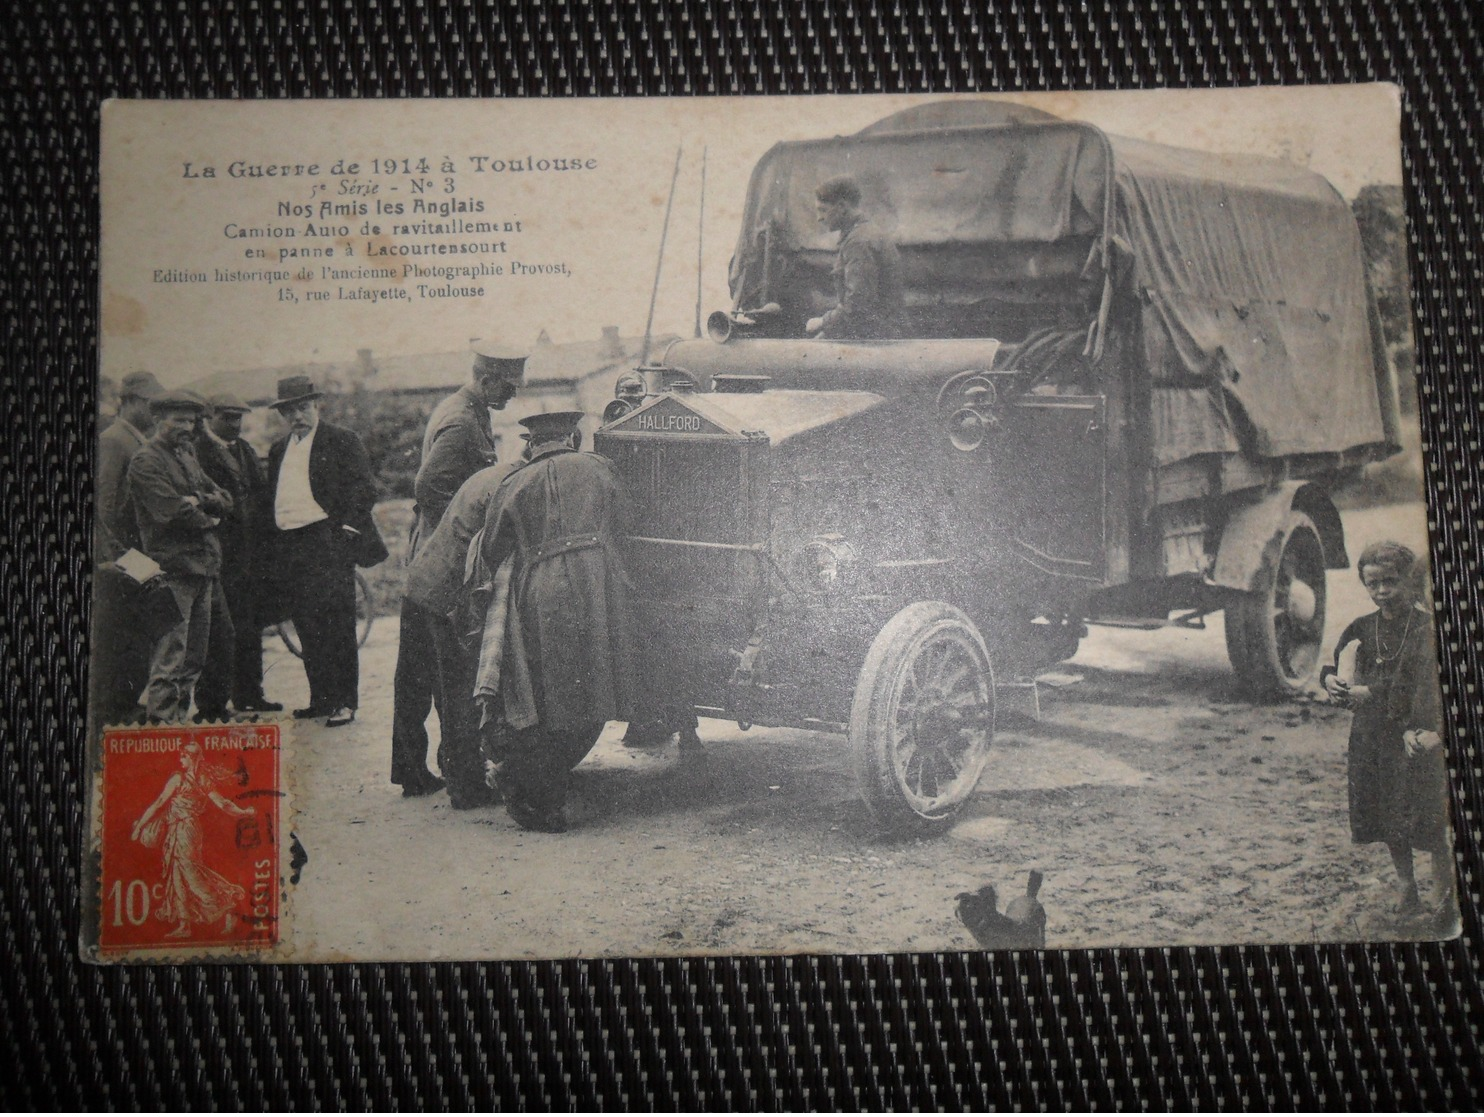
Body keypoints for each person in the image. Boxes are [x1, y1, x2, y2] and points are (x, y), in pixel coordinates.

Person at [472, 411, 638, 832]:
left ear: (532, 443)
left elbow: (492, 547)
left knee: (548, 691)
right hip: (599, 584)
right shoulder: (599, 468)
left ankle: (543, 797)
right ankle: (543, 786)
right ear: (573, 436)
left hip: (540, 590)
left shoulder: (515, 482)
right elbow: (627, 522)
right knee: (596, 678)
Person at [391, 344, 526, 798]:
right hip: (443, 567)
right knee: (454, 677)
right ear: (486, 380)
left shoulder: (466, 408)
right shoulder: (464, 422)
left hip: (424, 564)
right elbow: (429, 485)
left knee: (414, 676)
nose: (513, 395)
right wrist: (465, 536)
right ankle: (464, 782)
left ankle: (411, 772)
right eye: (507, 387)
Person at [1322, 541, 1453, 917]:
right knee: (1386, 813)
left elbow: (1413, 685)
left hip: (1413, 730)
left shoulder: (1426, 628)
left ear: (1409, 581)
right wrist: (1331, 681)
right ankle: (1406, 886)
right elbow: (1335, 662)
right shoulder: (1363, 626)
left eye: (1390, 583)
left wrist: (1369, 693)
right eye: (1373, 584)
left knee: (1427, 812)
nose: (1381, 592)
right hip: (1372, 736)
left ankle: (1442, 891)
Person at [265, 375, 387, 728]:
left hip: (328, 541)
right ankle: (320, 699)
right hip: (291, 545)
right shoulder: (277, 450)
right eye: (289, 411)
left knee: (337, 622)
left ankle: (345, 702)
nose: (297, 416)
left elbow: (364, 489)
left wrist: (346, 532)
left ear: (316, 405)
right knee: (306, 621)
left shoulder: (341, 440)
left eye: (302, 407)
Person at [402, 463, 512, 808]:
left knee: (429, 688)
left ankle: (441, 772)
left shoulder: (493, 473)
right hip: (444, 595)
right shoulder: (511, 485)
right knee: (458, 692)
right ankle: (466, 789)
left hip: (421, 582)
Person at [125, 389, 235, 723]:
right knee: (170, 656)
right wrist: (207, 512)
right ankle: (161, 729)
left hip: (203, 566)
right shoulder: (146, 460)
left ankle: (177, 725)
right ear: (159, 419)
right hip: (173, 570)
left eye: (191, 420)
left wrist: (198, 500)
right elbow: (170, 512)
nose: (186, 426)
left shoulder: (187, 454)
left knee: (193, 659)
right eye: (179, 420)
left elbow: (226, 498)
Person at [194, 392, 281, 715]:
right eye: (228, 417)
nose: (235, 424)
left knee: (250, 627)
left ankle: (250, 693)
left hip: (249, 556)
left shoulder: (244, 449)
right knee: (217, 633)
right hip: (220, 556)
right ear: (209, 418)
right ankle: (211, 703)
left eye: (239, 417)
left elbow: (261, 496)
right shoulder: (198, 452)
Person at [93, 369, 165, 723]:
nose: (156, 412)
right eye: (151, 404)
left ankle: (124, 704)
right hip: (123, 558)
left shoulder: (136, 439)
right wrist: (116, 559)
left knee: (143, 635)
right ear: (131, 402)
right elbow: (103, 507)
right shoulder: (114, 440)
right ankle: (115, 711)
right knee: (126, 638)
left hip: (138, 554)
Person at [130, 740, 255, 939]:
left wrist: (243, 812)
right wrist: (243, 812)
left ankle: (227, 906)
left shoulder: (184, 779)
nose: (180, 759)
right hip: (177, 829)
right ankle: (184, 924)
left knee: (190, 872)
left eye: (183, 756)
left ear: (192, 758)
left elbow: (162, 802)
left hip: (186, 830)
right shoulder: (197, 779)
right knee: (177, 874)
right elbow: (221, 804)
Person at [803, 175, 904, 340]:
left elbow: (858, 304)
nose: (819, 218)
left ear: (842, 207)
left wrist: (823, 321)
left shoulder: (858, 242)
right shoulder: (862, 234)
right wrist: (828, 332)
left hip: (879, 340)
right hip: (881, 335)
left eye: (823, 210)